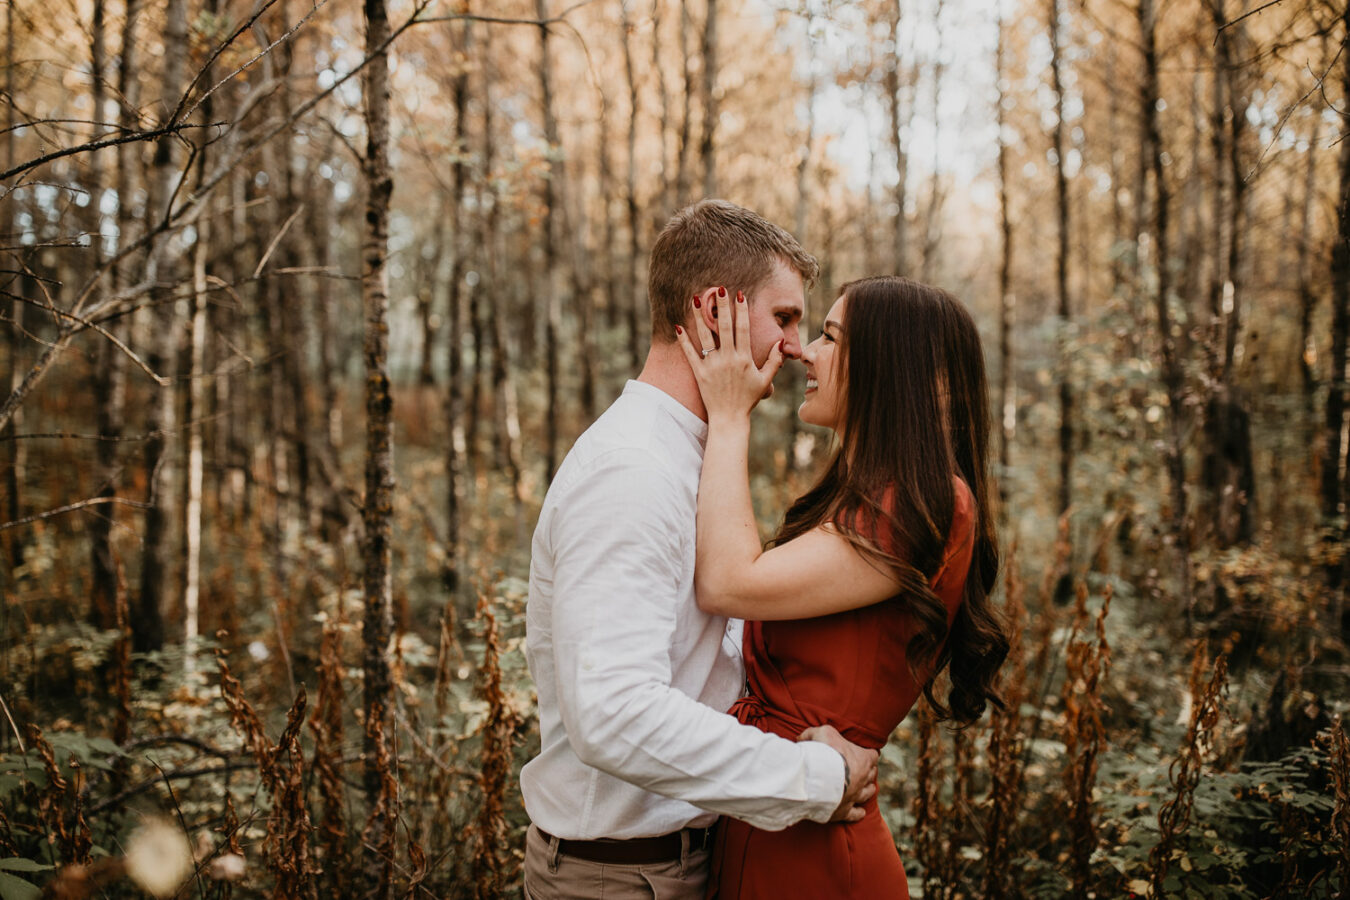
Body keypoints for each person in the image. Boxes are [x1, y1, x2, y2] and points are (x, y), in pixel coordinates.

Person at [520, 200, 880, 900]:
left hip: (689, 862)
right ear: (715, 310)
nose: (799, 347)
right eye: (785, 318)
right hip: (619, 881)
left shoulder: (698, 453)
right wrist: (811, 780)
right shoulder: (633, 470)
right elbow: (614, 711)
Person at [673, 275, 1010, 897]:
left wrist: (727, 416)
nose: (803, 351)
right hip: (775, 813)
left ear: (889, 366)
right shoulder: (857, 500)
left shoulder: (927, 504)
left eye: (829, 336)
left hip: (819, 854)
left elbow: (726, 583)